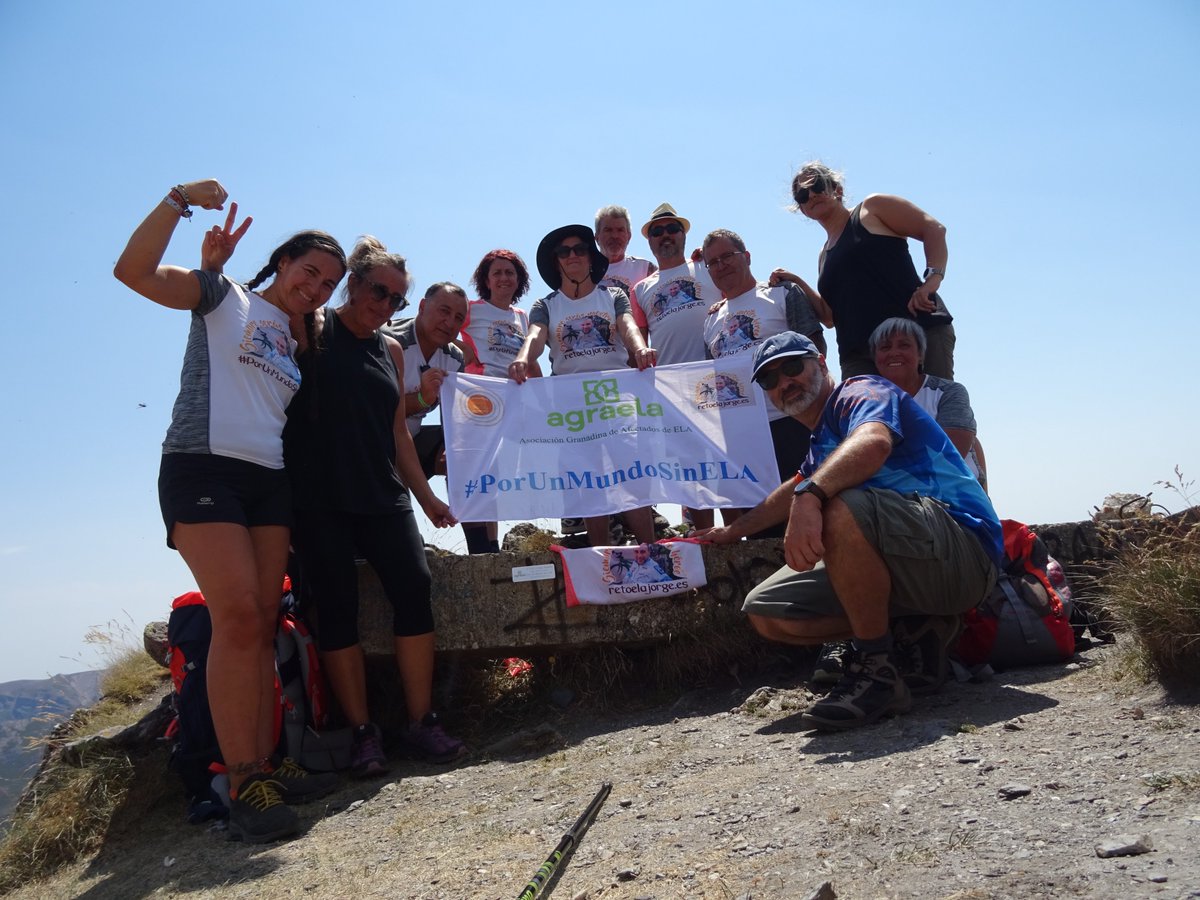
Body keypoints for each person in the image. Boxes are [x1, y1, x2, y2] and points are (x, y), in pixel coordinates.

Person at [114, 181, 345, 843]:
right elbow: (132, 273)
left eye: (328, 282)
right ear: (280, 264)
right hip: (201, 469)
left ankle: (265, 764)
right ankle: (245, 780)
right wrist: (179, 201)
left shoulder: (303, 337)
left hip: (267, 482)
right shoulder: (223, 296)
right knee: (238, 614)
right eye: (310, 272)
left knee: (263, 618)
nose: (317, 287)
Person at [697, 332, 1001, 731]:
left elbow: (873, 443)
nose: (784, 382)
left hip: (964, 548)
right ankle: (913, 634)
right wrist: (735, 530)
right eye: (770, 379)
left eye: (793, 367)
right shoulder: (822, 440)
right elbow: (795, 484)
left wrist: (810, 496)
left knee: (837, 506)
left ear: (822, 364)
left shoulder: (861, 392)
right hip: (917, 560)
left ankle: (878, 671)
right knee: (767, 612)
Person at [265, 237, 465, 776]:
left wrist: (427, 499)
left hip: (382, 494)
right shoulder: (308, 330)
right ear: (351, 283)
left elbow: (398, 432)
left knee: (415, 589)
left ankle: (421, 720)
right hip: (318, 499)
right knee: (335, 608)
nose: (385, 304)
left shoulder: (390, 350)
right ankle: (361, 732)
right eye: (379, 290)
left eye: (397, 299)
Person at [508, 223, 658, 548]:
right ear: (557, 261)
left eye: (580, 248)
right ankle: (601, 554)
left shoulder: (613, 295)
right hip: (572, 404)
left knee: (631, 477)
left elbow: (627, 324)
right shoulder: (546, 305)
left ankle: (652, 550)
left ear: (591, 256)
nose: (573, 255)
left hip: (615, 398)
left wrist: (639, 349)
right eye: (564, 251)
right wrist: (523, 358)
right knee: (590, 483)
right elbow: (535, 336)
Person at [777, 161, 956, 380]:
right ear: (802, 209)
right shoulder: (824, 256)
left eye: (818, 186)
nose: (812, 195)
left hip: (915, 333)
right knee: (868, 415)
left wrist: (932, 281)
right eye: (802, 195)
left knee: (933, 410)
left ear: (837, 189)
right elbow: (830, 317)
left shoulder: (872, 209)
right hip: (860, 357)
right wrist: (796, 280)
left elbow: (933, 229)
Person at [700, 229, 828, 490]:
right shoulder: (710, 321)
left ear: (746, 257)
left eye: (727, 256)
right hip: (744, 437)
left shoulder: (781, 294)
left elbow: (814, 347)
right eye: (712, 262)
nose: (721, 265)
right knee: (762, 524)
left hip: (795, 421)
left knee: (811, 507)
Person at [388, 283, 494, 554]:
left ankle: (482, 551)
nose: (449, 323)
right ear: (422, 307)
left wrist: (453, 446)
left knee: (468, 451)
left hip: (413, 439)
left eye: (458, 318)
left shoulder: (453, 357)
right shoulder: (389, 342)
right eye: (443, 311)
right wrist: (422, 398)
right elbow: (381, 413)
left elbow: (454, 414)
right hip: (378, 441)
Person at [869, 317, 987, 492]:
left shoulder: (948, 393)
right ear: (876, 358)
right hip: (893, 496)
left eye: (904, 345)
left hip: (953, 496)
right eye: (885, 347)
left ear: (921, 355)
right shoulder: (865, 401)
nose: (894, 352)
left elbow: (948, 458)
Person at [460, 249, 538, 379]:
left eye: (509, 273)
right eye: (497, 273)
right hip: (483, 388)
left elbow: (531, 361)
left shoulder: (522, 316)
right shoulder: (470, 309)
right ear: (487, 282)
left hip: (517, 390)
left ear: (518, 281)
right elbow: (440, 332)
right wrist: (463, 350)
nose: (504, 278)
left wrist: (545, 394)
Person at [594, 204, 656, 300]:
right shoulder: (583, 272)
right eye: (608, 230)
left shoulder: (645, 269)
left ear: (629, 236)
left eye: (620, 230)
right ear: (597, 237)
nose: (615, 236)